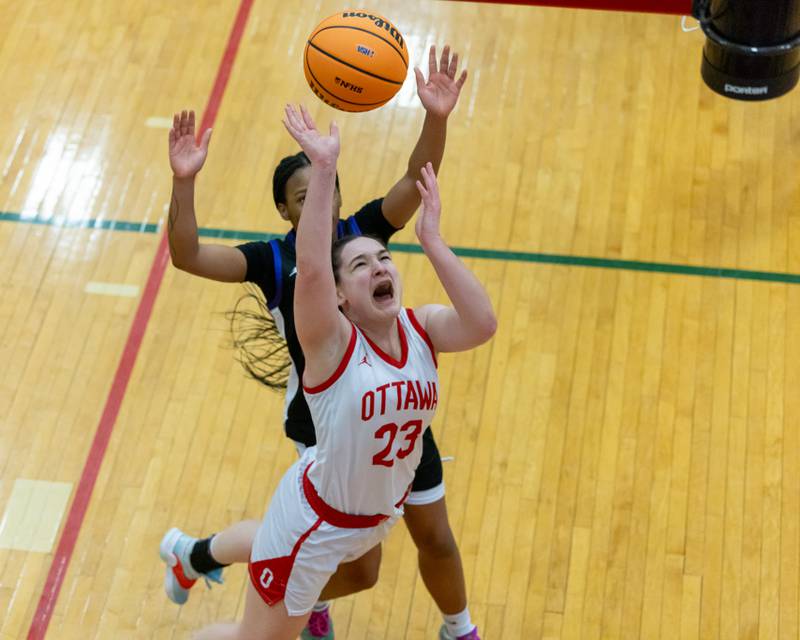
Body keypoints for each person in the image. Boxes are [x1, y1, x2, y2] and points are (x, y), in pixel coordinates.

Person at [161, 47, 482, 640]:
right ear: (284, 209)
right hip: (328, 415)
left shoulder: (363, 232)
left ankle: (457, 627)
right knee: (352, 562)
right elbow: (186, 256)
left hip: (394, 397)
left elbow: (417, 180)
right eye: (305, 196)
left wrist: (435, 118)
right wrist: (184, 183)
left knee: (419, 538)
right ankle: (217, 561)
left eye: (326, 189)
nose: (323, 201)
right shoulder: (273, 259)